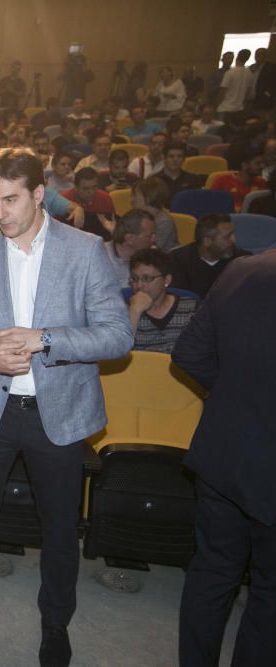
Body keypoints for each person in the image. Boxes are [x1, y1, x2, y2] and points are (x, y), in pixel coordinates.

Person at [0, 147, 132, 666]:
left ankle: (55, 621)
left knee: (59, 525)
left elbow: (118, 336)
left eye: (10, 199)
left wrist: (43, 339)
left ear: (39, 194)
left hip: (61, 413)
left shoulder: (86, 250)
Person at [171, 252, 276, 667]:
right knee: (269, 594)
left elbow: (189, 353)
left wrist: (233, 396)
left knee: (212, 573)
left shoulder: (242, 269)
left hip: (223, 451)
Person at [127, 248, 197, 353]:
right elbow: (117, 355)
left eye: (147, 279)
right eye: (135, 279)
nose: (139, 286)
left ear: (167, 280)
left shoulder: (191, 309)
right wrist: (134, 312)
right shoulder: (122, 311)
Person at [168, 214, 250, 298]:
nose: (234, 240)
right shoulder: (177, 260)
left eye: (233, 234)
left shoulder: (242, 260)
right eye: (228, 236)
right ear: (207, 241)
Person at [103, 208, 157, 287]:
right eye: (150, 236)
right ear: (130, 239)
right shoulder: (98, 257)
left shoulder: (152, 258)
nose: (154, 239)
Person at [207, 146, 265, 212]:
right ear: (244, 165)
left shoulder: (261, 182)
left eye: (263, 163)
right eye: (258, 163)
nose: (262, 166)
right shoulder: (222, 181)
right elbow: (211, 204)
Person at [131, 177, 179, 252]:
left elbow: (151, 249)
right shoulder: (139, 216)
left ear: (148, 198)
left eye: (135, 195)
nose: (132, 199)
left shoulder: (164, 222)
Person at [217, 49, 254, 117]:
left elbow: (222, 91)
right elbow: (247, 94)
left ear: (237, 57)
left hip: (225, 107)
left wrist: (217, 104)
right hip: (239, 108)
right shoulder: (250, 74)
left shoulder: (230, 73)